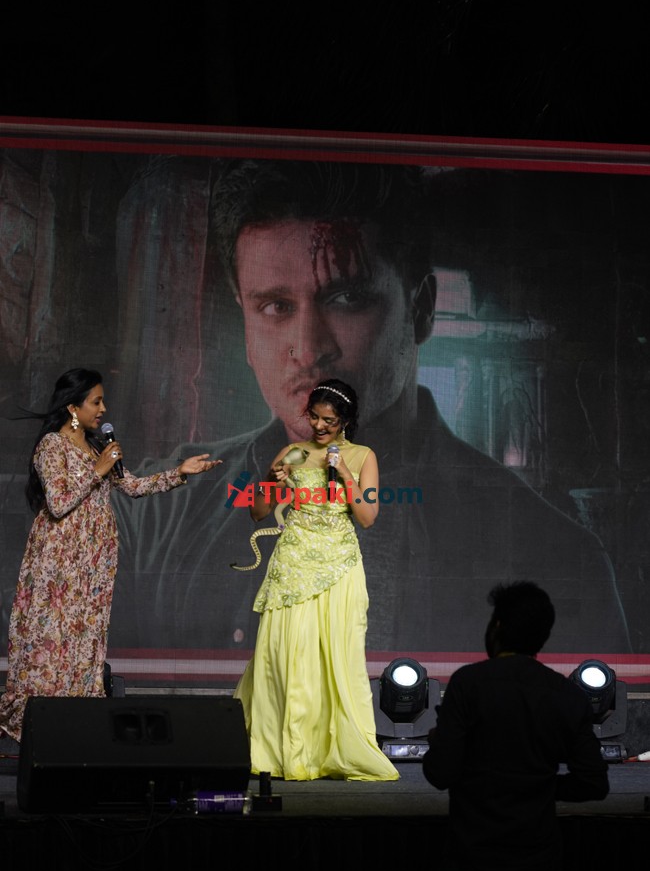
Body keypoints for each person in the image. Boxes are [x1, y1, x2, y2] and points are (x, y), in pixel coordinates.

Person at [110, 159, 632, 658]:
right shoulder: (155, 515)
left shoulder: (556, 555)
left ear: (421, 309)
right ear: (245, 325)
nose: (308, 348)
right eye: (275, 306)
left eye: (346, 299)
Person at [0, 368, 220, 742]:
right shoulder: (52, 446)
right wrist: (98, 469)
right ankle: (39, 725)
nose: (103, 409)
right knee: (52, 641)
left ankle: (74, 724)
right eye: (96, 402)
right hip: (60, 563)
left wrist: (179, 472)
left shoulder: (96, 446)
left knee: (84, 640)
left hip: (94, 563)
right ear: (73, 407)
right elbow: (59, 502)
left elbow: (132, 486)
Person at [422, 581, 610, 871]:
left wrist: (443, 746)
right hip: (537, 866)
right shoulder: (566, 695)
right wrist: (539, 786)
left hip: (473, 863)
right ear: (543, 636)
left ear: (497, 627)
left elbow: (439, 773)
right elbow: (593, 783)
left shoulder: (468, 684)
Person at [233, 379, 398, 781]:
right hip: (292, 566)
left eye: (330, 420)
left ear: (346, 421)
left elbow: (367, 517)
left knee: (334, 657)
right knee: (282, 654)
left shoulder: (362, 456)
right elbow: (257, 512)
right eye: (315, 418)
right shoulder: (294, 452)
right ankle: (280, 749)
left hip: (339, 567)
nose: (320, 426)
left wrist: (344, 474)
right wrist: (271, 480)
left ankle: (326, 750)